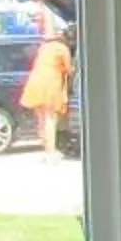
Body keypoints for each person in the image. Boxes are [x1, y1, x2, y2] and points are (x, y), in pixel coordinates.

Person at [20, 17, 75, 154]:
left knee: (41, 119)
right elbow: (69, 70)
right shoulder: (62, 49)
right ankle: (51, 153)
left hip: (34, 84)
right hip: (50, 85)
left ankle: (46, 150)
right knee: (51, 119)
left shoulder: (44, 47)